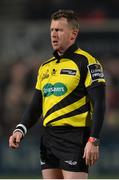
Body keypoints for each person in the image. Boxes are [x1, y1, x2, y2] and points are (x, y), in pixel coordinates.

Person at [9, 9, 106, 179]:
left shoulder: (87, 62)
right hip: (48, 138)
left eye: (59, 30)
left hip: (74, 138)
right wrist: (20, 129)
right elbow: (36, 105)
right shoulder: (45, 67)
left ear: (73, 34)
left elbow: (99, 103)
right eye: (52, 30)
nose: (54, 34)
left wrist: (94, 140)